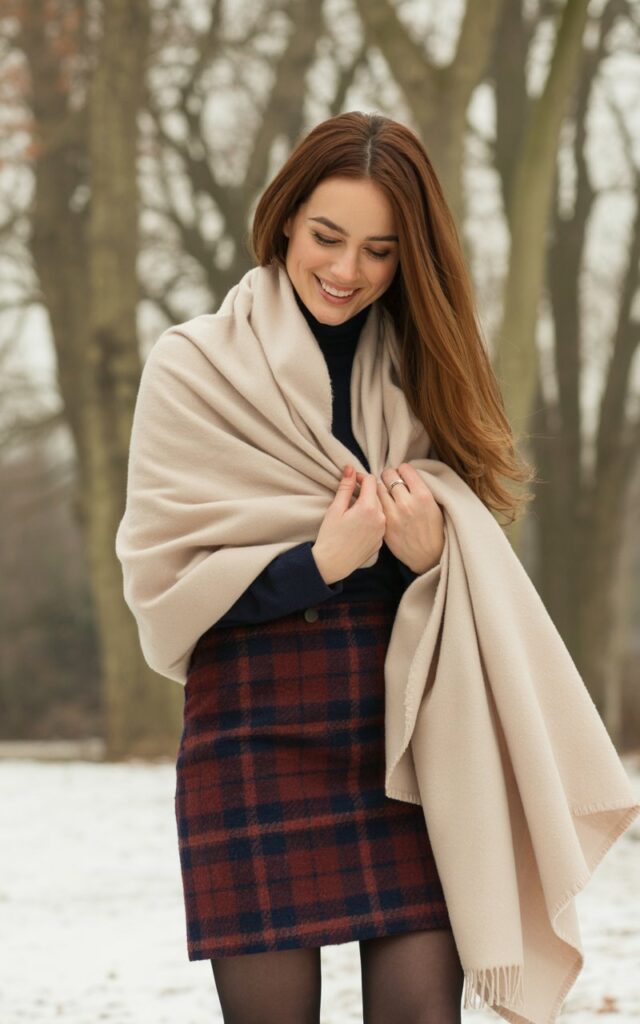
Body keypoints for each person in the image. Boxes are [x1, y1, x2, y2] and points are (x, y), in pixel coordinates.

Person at [118, 110, 534, 1024]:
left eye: (380, 251)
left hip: (407, 731)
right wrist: (317, 564)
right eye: (327, 237)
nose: (348, 270)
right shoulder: (193, 366)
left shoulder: (428, 366)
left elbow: (473, 558)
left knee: (423, 1014)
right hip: (252, 729)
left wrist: (429, 559)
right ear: (283, 224)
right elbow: (165, 587)